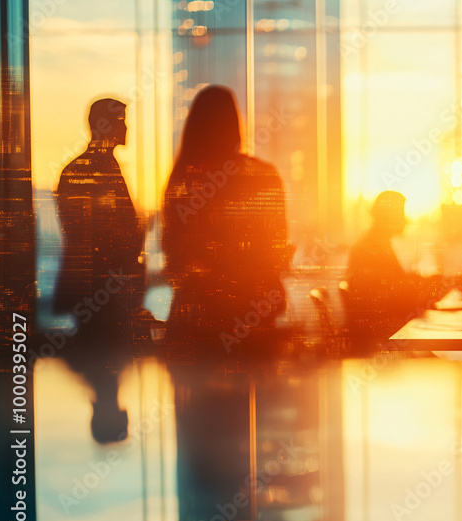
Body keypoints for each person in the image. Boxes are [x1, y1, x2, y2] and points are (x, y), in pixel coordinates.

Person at [161, 85, 290, 364]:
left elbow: (173, 253)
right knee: (248, 400)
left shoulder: (183, 181)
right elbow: (276, 246)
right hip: (250, 314)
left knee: (195, 401)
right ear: (235, 123)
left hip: (193, 319)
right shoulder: (262, 175)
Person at [54, 98, 147, 444]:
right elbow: (104, 236)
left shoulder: (79, 169)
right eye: (121, 120)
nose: (127, 128)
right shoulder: (99, 170)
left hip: (96, 291)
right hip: (104, 293)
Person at [345, 191, 443, 342]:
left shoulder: (376, 243)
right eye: (400, 215)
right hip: (382, 337)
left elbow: (395, 283)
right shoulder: (371, 248)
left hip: (384, 330)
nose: (405, 221)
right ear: (388, 218)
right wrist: (428, 289)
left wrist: (426, 284)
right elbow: (391, 296)